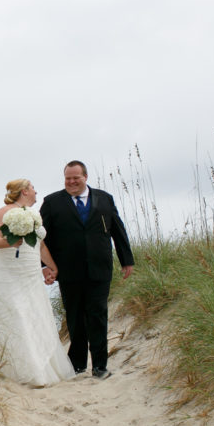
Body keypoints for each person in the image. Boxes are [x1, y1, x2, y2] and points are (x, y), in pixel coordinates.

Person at [40, 161, 134, 379]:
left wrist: (126, 260)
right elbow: (41, 238)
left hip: (99, 268)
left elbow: (118, 231)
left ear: (85, 177)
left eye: (76, 178)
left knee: (98, 315)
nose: (71, 182)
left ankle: (100, 365)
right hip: (68, 270)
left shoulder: (104, 198)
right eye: (67, 178)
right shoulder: (52, 202)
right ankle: (77, 364)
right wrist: (45, 266)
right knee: (75, 317)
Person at [0, 179, 76, 387]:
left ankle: (41, 366)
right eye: (33, 188)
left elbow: (41, 246)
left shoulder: (35, 215)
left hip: (30, 271)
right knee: (15, 313)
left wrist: (52, 268)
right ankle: (14, 369)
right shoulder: (5, 212)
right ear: (25, 191)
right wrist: (10, 241)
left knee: (35, 312)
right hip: (8, 271)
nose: (36, 192)